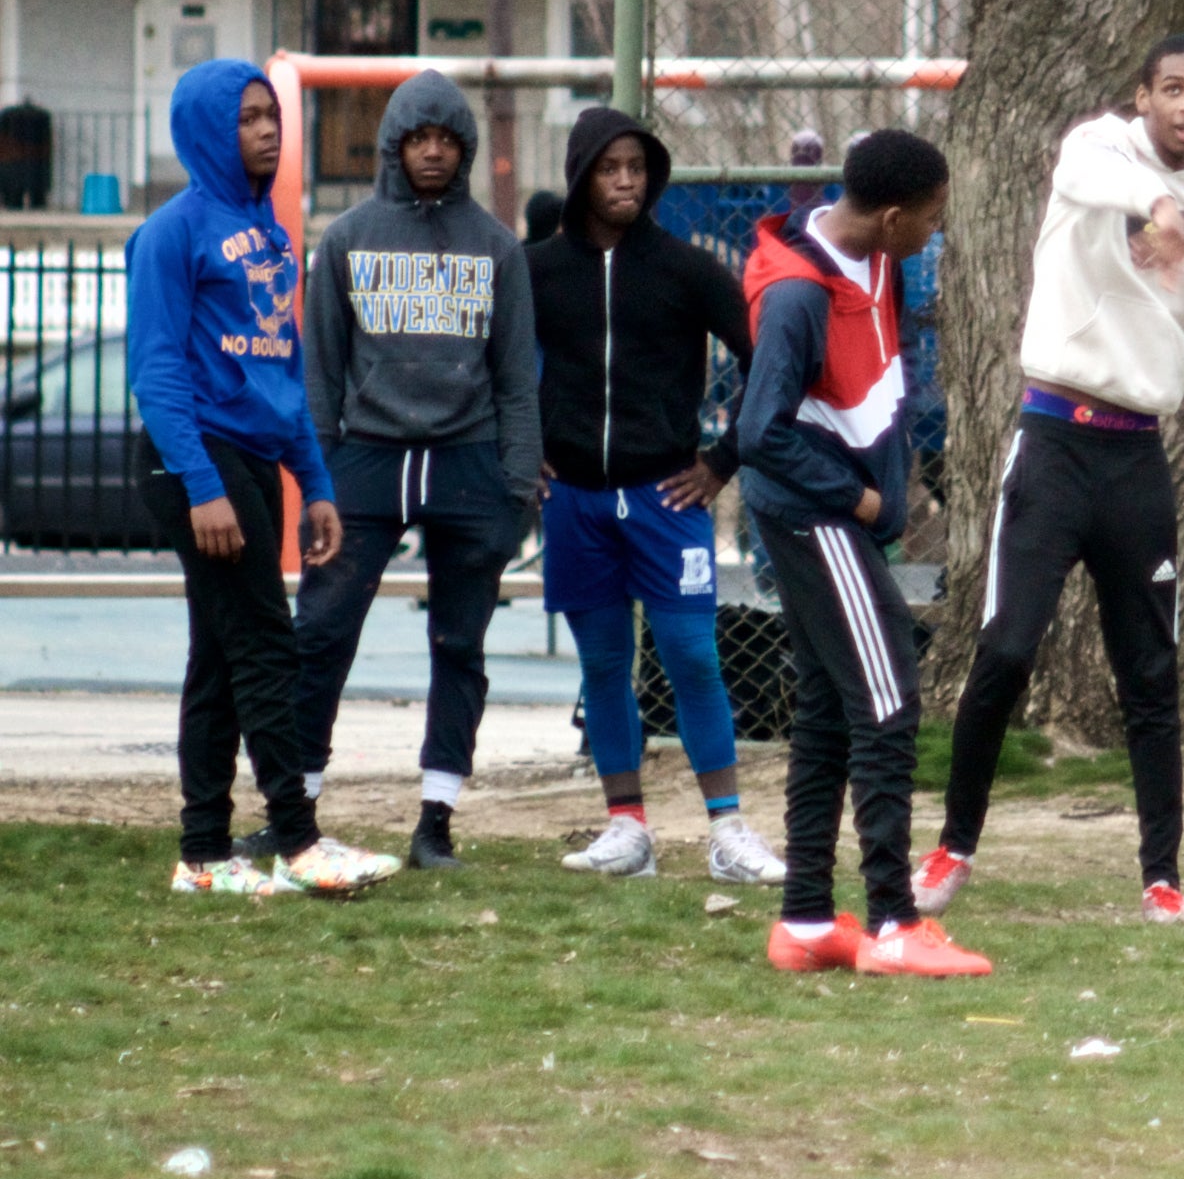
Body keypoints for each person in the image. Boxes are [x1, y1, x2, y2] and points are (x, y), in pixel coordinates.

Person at [923, 35, 1184, 928]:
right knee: (1007, 650)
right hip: (1053, 442)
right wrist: (1160, 206)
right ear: (1144, 96)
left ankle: (1161, 877)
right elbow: (1102, 179)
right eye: (1174, 88)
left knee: (1150, 676)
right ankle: (951, 848)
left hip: (1136, 462)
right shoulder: (1096, 151)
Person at [127, 60, 399, 898]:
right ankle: (299, 840)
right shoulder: (171, 233)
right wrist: (201, 485)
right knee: (265, 643)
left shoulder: (277, 235)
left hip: (252, 457)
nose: (267, 130)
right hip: (195, 460)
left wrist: (313, 484)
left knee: (219, 654)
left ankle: (204, 856)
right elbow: (157, 368)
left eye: (271, 116)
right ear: (211, 127)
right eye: (248, 118)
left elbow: (281, 378)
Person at [742, 128, 983, 977]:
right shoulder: (799, 296)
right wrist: (862, 497)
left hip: (842, 514)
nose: (934, 233)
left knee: (827, 706)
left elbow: (877, 374)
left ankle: (806, 920)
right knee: (887, 695)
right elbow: (757, 433)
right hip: (815, 517)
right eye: (930, 220)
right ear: (888, 217)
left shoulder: (881, 261)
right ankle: (892, 920)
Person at [292, 71, 542, 872]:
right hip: (365, 458)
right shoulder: (346, 239)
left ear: (464, 149)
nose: (432, 151)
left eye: (447, 140)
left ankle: (436, 821)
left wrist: (516, 486)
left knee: (458, 643)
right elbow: (320, 372)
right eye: (418, 137)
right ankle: (294, 810)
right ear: (394, 145)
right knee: (324, 631)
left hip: (468, 461)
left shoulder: (498, 247)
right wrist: (320, 476)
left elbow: (516, 379)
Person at [527, 108, 784, 882]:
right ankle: (627, 831)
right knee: (603, 666)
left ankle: (729, 833)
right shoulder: (534, 271)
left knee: (692, 660)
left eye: (637, 166)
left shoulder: (687, 269)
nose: (627, 180)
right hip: (572, 501)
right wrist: (522, 455)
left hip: (667, 500)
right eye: (610, 167)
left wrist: (722, 461)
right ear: (581, 177)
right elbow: (491, 369)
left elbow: (766, 363)